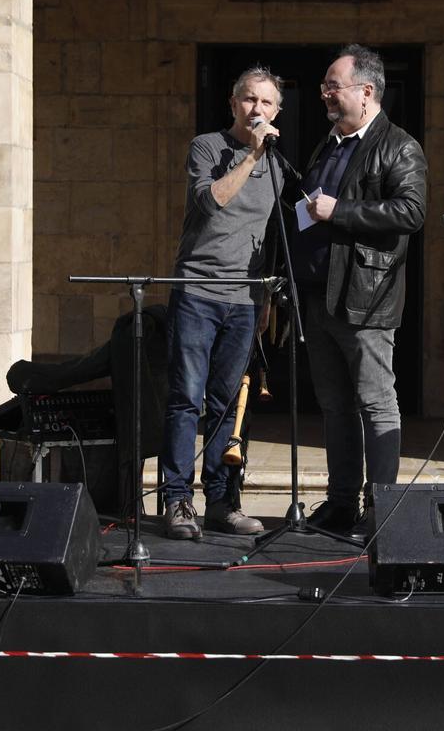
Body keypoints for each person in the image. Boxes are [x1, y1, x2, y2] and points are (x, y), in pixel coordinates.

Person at [294, 44, 427, 542]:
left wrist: (339, 211)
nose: (325, 94)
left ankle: (383, 509)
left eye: (334, 86)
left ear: (366, 92)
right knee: (334, 404)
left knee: (375, 402)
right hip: (318, 295)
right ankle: (342, 502)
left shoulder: (399, 146)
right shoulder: (327, 144)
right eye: (326, 86)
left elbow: (411, 213)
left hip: (366, 297)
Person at [159, 66, 283, 539]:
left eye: (267, 103)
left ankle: (222, 501)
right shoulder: (207, 147)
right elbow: (212, 203)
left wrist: (268, 294)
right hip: (198, 292)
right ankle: (176, 500)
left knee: (228, 405)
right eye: (250, 100)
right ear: (233, 103)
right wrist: (250, 156)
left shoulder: (277, 164)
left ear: (277, 112)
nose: (257, 109)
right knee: (185, 400)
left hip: (246, 298)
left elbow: (270, 233)